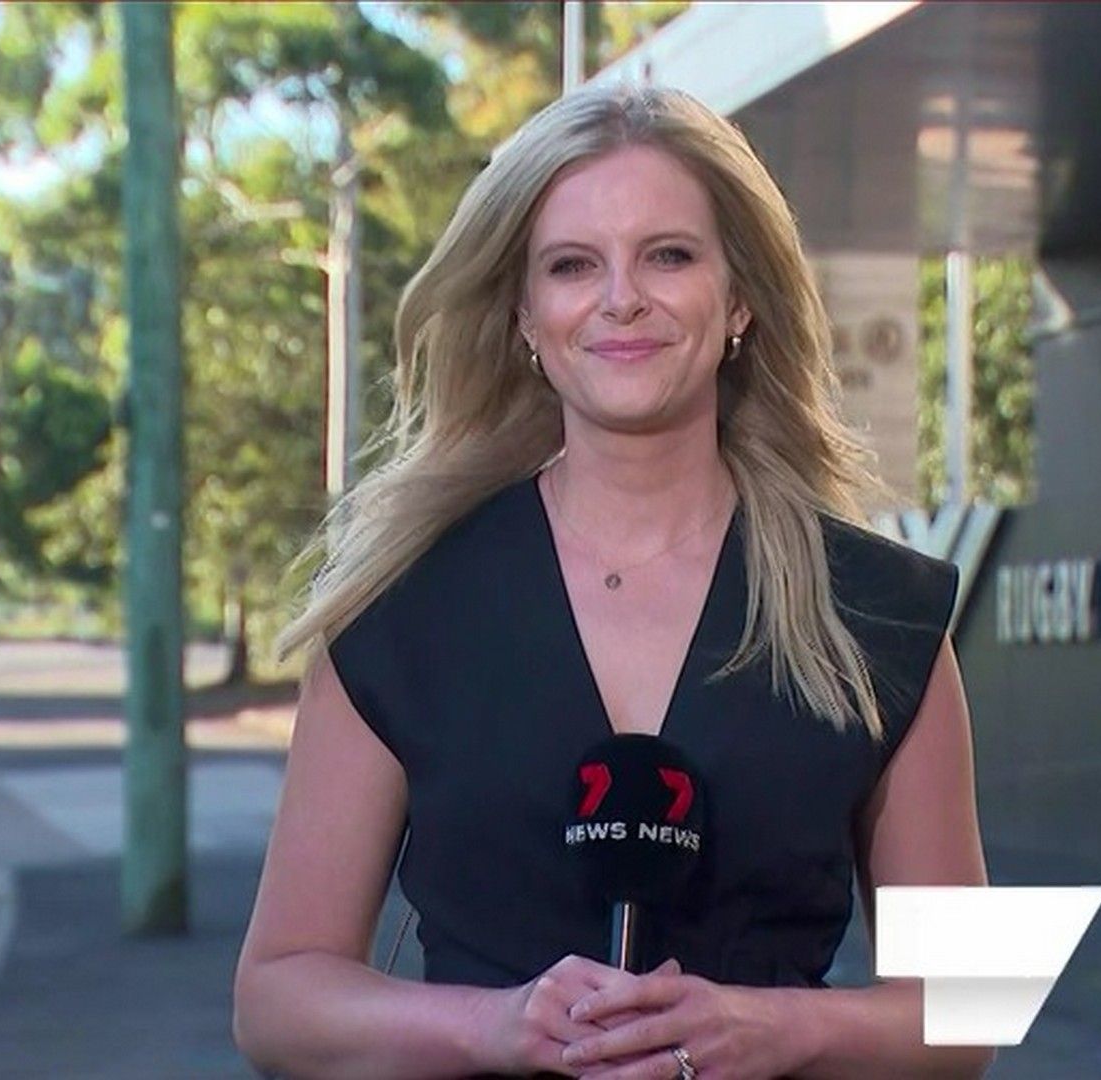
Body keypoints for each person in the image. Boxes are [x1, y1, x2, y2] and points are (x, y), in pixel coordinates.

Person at [235, 82, 990, 1079]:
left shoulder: (884, 616)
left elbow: (971, 1009)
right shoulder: (399, 607)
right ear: (525, 314)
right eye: (572, 265)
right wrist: (494, 1026)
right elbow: (276, 997)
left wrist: (769, 1028)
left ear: (740, 297)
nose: (621, 297)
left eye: (668, 255)